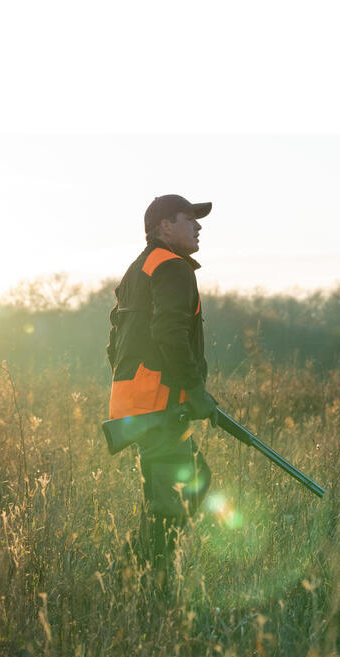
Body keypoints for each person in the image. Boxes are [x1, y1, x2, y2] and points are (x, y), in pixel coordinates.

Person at [106, 194, 217, 585]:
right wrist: (194, 389)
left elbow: (114, 339)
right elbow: (170, 333)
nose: (199, 227)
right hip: (161, 403)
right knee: (171, 502)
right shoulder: (173, 268)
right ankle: (150, 587)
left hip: (138, 402)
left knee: (187, 483)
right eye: (190, 219)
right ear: (165, 227)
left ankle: (131, 575)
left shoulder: (138, 269)